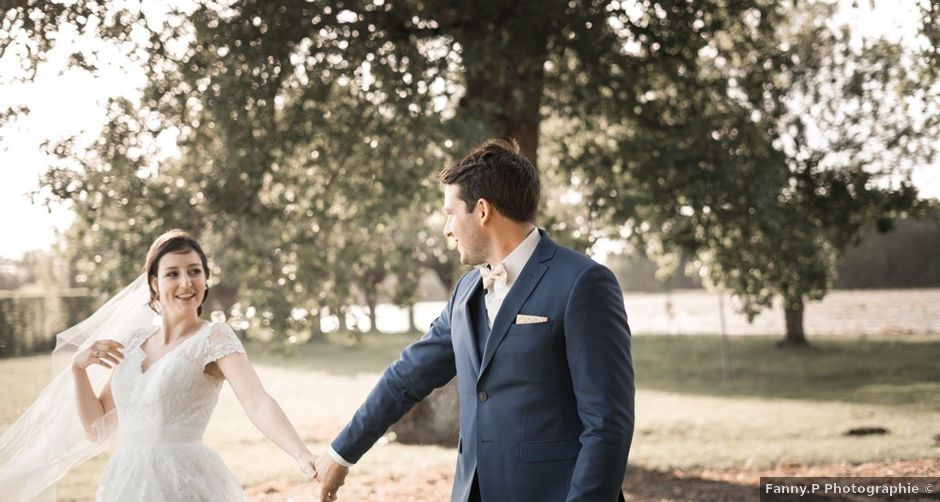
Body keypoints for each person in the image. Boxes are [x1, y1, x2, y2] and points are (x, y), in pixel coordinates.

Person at [312, 139, 635, 502]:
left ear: (482, 211)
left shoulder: (582, 283)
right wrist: (342, 454)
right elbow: (407, 376)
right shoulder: (466, 290)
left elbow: (608, 425)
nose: (447, 229)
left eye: (451, 213)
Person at [0, 229, 316, 501]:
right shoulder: (134, 341)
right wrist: (79, 370)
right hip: (125, 483)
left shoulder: (214, 338)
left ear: (206, 279)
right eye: (173, 273)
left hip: (184, 483)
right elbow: (97, 428)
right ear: (154, 283)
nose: (186, 282)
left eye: (195, 271)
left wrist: (302, 455)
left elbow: (258, 402)